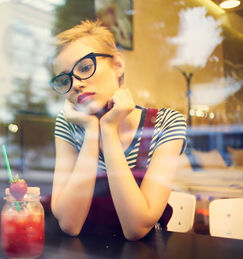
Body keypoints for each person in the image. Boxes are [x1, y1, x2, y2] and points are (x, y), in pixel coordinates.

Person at [49, 20, 186, 241]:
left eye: (84, 67)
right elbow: (69, 224)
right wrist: (92, 131)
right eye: (65, 80)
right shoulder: (69, 124)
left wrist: (109, 129)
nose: (75, 84)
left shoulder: (166, 123)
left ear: (118, 65)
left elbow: (137, 228)